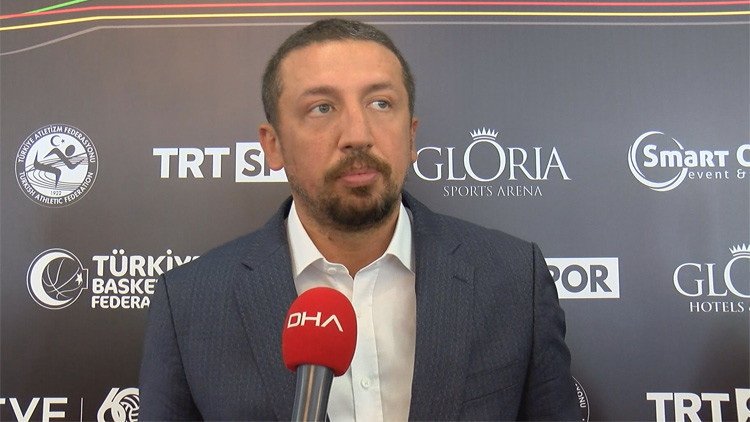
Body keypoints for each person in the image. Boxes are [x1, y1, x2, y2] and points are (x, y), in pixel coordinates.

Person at [139, 18, 579, 421]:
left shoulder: (513, 279)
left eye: (381, 103)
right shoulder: (190, 304)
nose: (358, 135)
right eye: (322, 108)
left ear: (411, 135)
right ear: (272, 145)